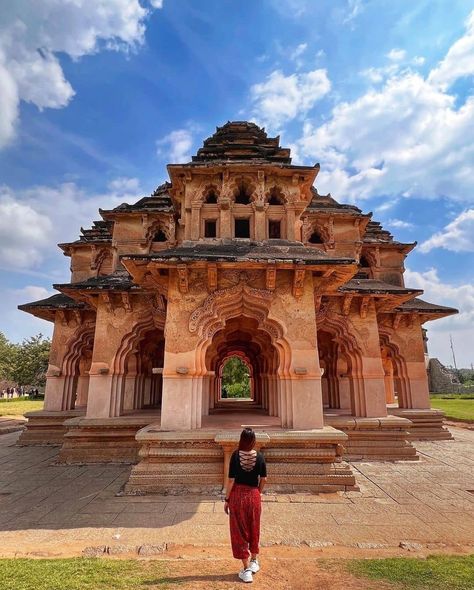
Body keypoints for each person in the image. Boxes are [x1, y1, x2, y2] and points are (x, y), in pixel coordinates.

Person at [224, 427, 267, 584]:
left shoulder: (236, 456)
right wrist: (258, 492)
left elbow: (231, 481)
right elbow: (264, 479)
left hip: (237, 496)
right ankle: (254, 560)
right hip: (254, 495)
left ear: (241, 440)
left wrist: (227, 499)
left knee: (239, 531)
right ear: (254, 440)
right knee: (254, 527)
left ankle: (246, 568)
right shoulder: (260, 457)